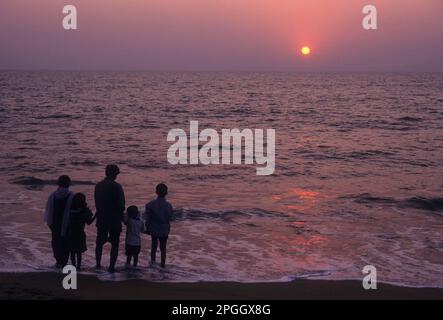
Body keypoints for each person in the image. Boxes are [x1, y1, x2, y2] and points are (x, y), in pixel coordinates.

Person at [94, 165, 125, 273]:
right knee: (115, 244)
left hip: (101, 218)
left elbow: (97, 204)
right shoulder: (117, 186)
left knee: (99, 243)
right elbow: (121, 206)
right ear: (115, 174)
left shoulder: (98, 186)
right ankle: (111, 267)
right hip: (114, 220)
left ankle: (98, 264)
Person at [44, 175, 74, 268]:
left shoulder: (53, 195)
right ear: (68, 184)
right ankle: (64, 262)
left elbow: (48, 211)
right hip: (67, 223)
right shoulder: (71, 195)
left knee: (56, 242)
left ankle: (58, 261)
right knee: (66, 243)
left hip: (55, 223)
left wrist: (50, 224)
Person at [144, 183, 174, 268]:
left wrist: (147, 227)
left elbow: (148, 217)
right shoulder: (168, 205)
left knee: (153, 246)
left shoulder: (151, 204)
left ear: (156, 192)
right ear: (166, 193)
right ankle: (162, 265)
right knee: (163, 248)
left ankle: (153, 264)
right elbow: (170, 218)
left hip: (154, 228)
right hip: (164, 229)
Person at [66, 193, 94, 270]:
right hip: (80, 233)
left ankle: (73, 265)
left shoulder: (70, 210)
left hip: (71, 232)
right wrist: (96, 215)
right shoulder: (85, 211)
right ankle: (78, 266)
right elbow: (89, 222)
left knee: (72, 251)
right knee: (79, 252)